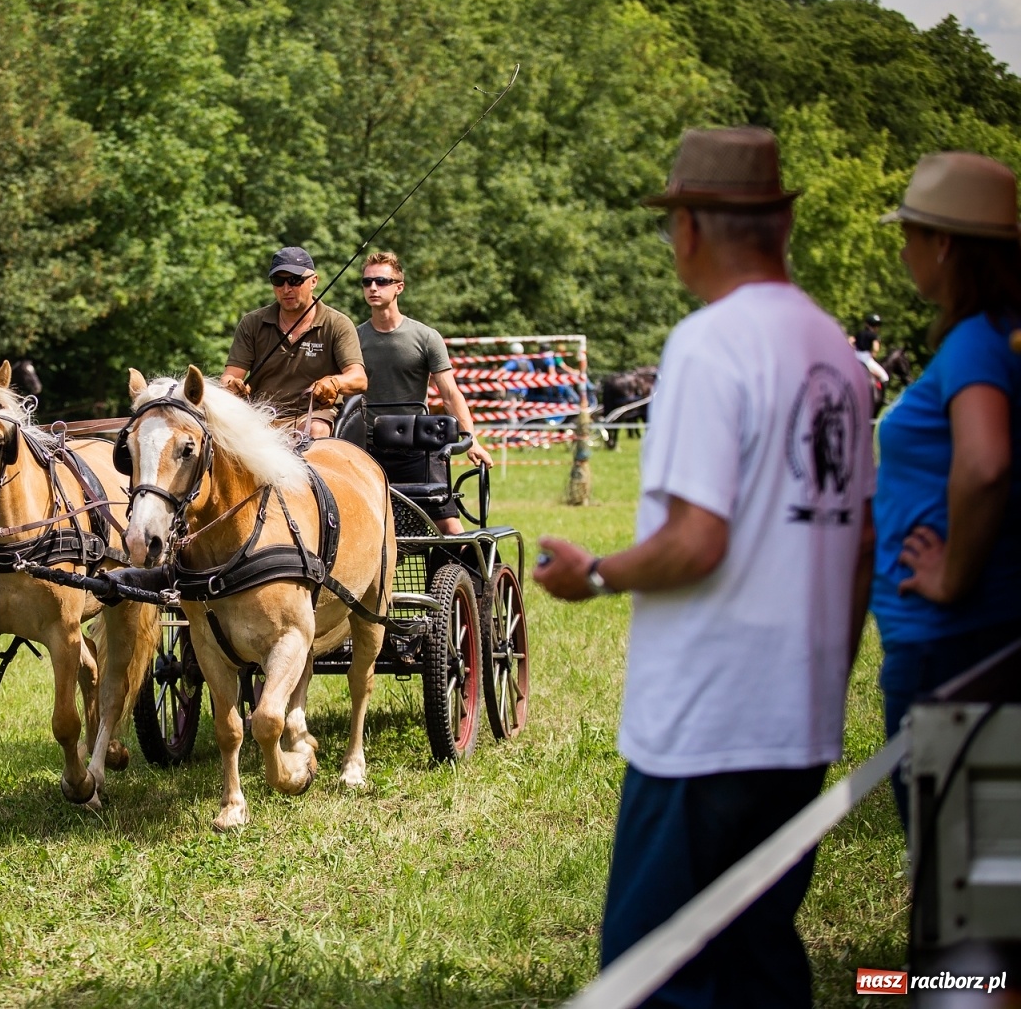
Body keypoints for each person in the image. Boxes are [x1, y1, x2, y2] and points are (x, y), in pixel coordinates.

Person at [533, 127, 875, 1007]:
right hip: (798, 721)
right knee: (760, 965)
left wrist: (595, 574)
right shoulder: (836, 351)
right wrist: (828, 685)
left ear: (687, 227)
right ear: (782, 223)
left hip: (707, 723)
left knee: (658, 974)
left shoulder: (710, 343)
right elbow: (860, 539)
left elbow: (696, 540)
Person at [871, 152, 1021, 826]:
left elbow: (986, 463)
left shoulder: (974, 344)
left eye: (910, 234)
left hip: (948, 644)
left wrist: (952, 576)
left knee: (952, 859)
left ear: (945, 244)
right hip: (983, 635)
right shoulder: (1004, 335)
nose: (904, 251)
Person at [355, 251, 494, 534]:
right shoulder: (353, 338)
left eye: (382, 281)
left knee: (449, 528)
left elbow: (450, 394)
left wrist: (472, 441)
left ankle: (473, 564)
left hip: (418, 449)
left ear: (399, 287)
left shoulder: (426, 337)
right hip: (367, 450)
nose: (373, 288)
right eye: (367, 282)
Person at [221, 246, 366, 437]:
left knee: (315, 431)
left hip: (312, 414)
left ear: (314, 281)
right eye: (278, 281)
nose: (286, 289)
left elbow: (359, 378)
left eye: (295, 280)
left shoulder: (337, 324)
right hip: (261, 415)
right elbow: (230, 376)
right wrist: (232, 385)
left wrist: (334, 382)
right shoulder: (252, 323)